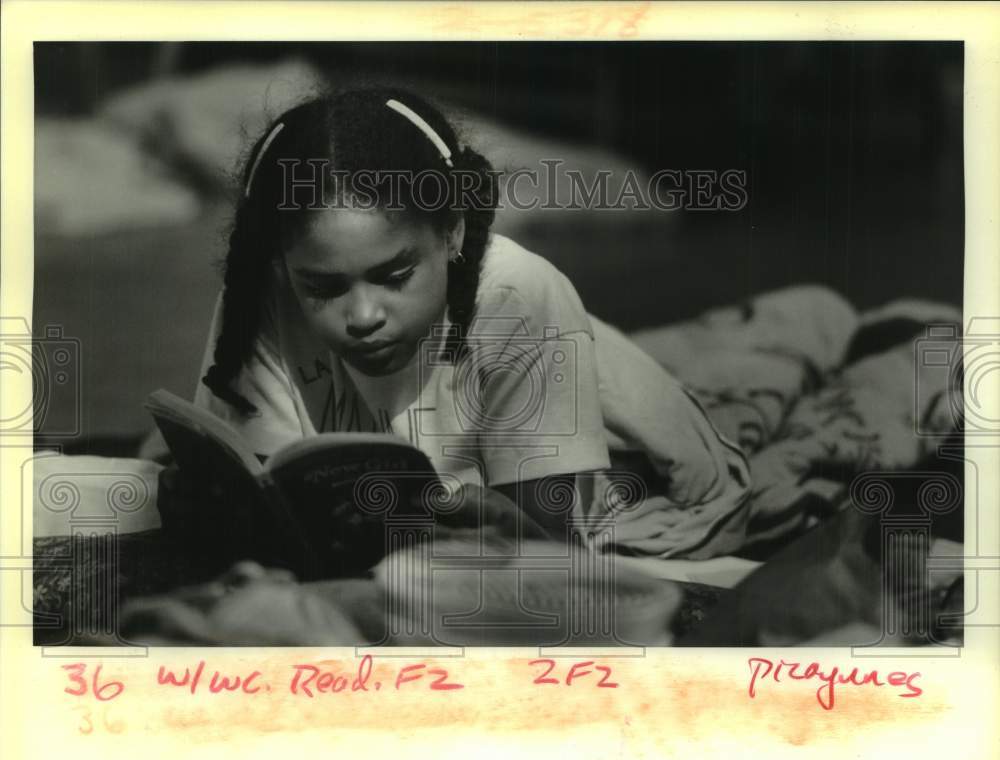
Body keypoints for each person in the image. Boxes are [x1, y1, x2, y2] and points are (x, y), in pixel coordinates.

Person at [158, 87, 750, 560]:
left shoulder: (521, 295)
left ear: (454, 233)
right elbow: (267, 495)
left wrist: (490, 525)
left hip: (593, 433)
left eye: (394, 276)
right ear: (284, 268)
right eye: (323, 288)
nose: (362, 317)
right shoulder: (260, 291)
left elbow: (553, 551)